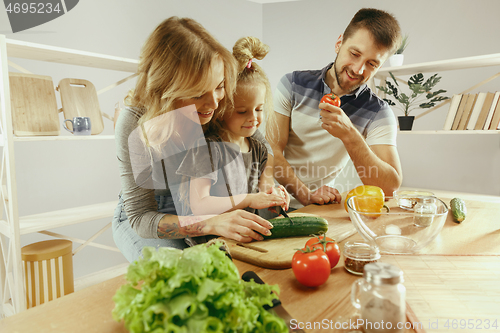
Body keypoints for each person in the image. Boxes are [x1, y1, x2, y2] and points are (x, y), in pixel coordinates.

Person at [112, 17, 283, 262]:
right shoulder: (134, 124)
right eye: (198, 93)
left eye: (220, 86)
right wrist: (210, 223)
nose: (215, 103)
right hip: (152, 214)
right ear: (166, 88)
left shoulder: (213, 104)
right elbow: (141, 219)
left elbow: (261, 144)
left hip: (202, 206)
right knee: (177, 275)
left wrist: (267, 185)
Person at [271, 8, 404, 209]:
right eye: (355, 53)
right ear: (339, 43)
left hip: (320, 207)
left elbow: (390, 188)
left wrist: (350, 135)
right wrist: (306, 195)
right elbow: (272, 150)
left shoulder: (378, 112)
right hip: (271, 199)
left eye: (371, 64)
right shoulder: (292, 84)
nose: (358, 69)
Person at [178, 37, 289, 217]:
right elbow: (199, 205)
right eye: (242, 111)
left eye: (259, 109)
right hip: (210, 239)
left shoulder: (258, 149)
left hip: (241, 235)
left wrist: (274, 197)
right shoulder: (208, 148)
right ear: (221, 109)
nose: (253, 118)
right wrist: (249, 199)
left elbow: (263, 193)